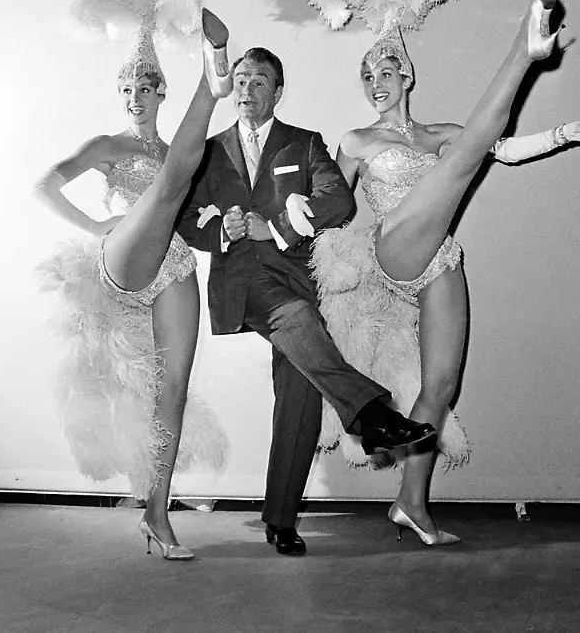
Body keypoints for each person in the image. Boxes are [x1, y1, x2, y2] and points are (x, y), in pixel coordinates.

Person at [307, 0, 580, 546]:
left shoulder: (437, 133)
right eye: (367, 75)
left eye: (385, 72)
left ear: (407, 75)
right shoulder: (356, 140)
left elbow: (504, 149)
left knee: (440, 384)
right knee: (461, 159)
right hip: (392, 247)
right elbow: (331, 202)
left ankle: (411, 503)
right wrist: (299, 214)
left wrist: (563, 134)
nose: (375, 82)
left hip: (438, 259)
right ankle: (525, 48)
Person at [176, 46, 437, 556]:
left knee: (299, 393)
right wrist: (223, 229)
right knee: (293, 316)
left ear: (277, 92)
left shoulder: (305, 142)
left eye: (259, 81)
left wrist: (275, 227)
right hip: (244, 285)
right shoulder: (208, 152)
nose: (247, 89)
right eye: (241, 79)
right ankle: (371, 414)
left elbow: (339, 201)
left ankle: (280, 519)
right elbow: (185, 217)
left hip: (297, 281)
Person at [35, 0, 233, 561]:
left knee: (171, 389)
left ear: (158, 92)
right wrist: (94, 225)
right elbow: (45, 185)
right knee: (173, 177)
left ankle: (157, 512)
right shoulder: (108, 145)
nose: (134, 96)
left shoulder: (173, 151)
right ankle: (214, 82)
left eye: (144, 87)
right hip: (120, 259)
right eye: (126, 88)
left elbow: (191, 211)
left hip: (171, 263)